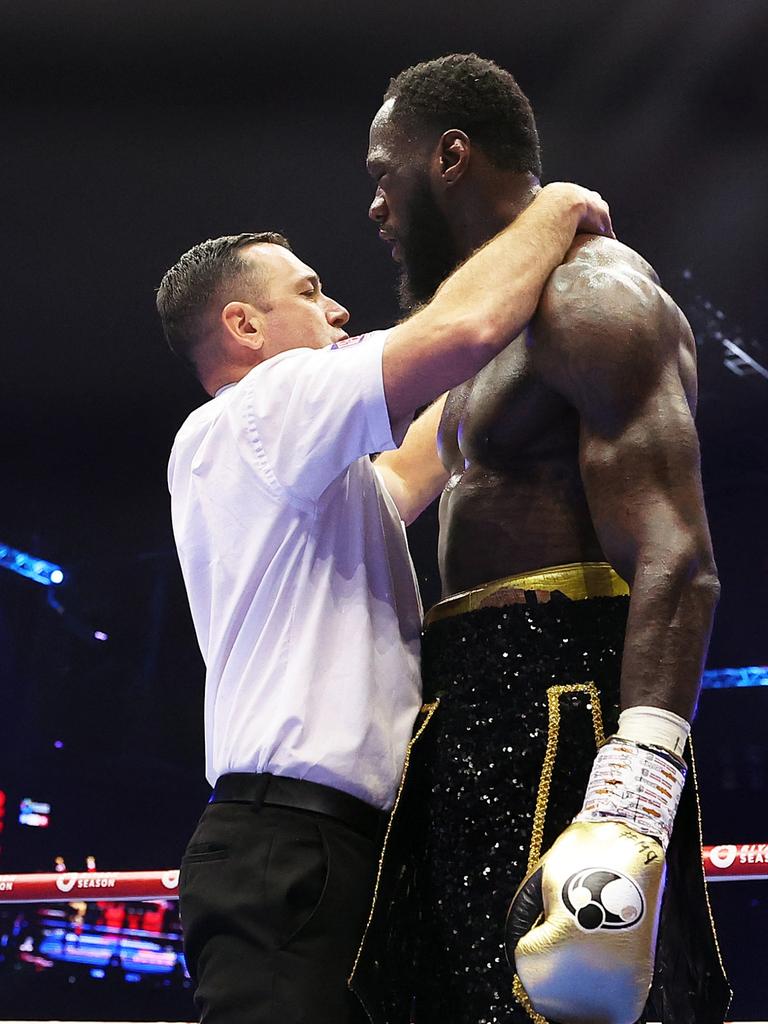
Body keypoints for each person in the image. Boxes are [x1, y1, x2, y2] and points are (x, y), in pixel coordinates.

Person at [156, 184, 613, 1024]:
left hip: (333, 849)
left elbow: (420, 454)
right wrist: (555, 210)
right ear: (244, 327)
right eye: (307, 291)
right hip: (289, 847)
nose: (336, 310)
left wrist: (527, 332)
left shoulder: (303, 470)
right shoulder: (262, 407)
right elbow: (457, 334)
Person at [356, 53, 731, 1024]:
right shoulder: (480, 340)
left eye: (381, 175)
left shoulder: (593, 298)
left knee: (558, 1004)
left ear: (449, 157)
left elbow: (676, 556)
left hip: (564, 699)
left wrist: (633, 799)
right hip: (468, 700)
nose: (375, 207)